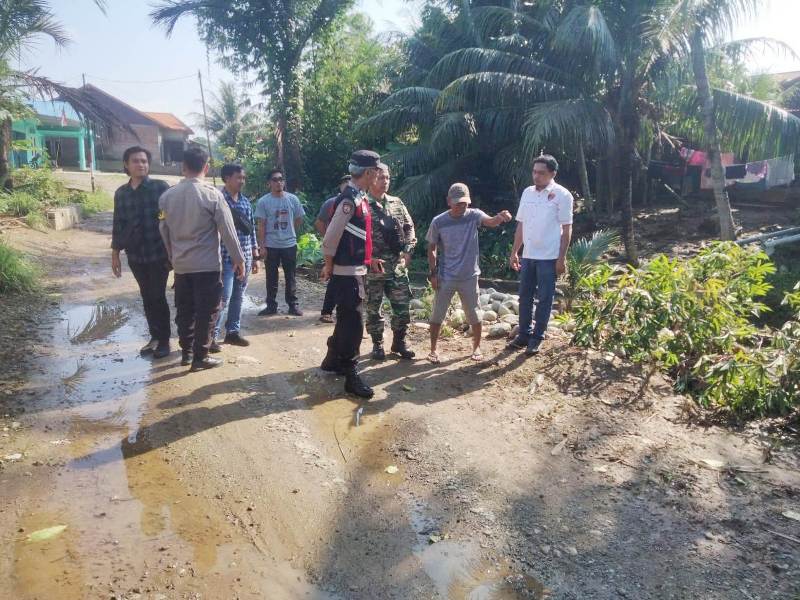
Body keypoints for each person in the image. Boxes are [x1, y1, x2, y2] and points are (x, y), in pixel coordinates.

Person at [158, 146, 245, 371]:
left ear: (183, 167)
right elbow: (227, 230)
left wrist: (171, 254)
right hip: (207, 266)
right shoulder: (213, 195)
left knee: (185, 310)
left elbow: (163, 228)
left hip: (181, 266)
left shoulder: (166, 197)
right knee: (207, 311)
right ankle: (200, 357)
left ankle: (186, 352)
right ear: (206, 167)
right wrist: (239, 259)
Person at [319, 150, 382, 399]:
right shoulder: (350, 200)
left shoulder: (359, 197)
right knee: (354, 324)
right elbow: (330, 238)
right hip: (347, 273)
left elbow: (355, 236)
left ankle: (332, 358)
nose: (378, 175)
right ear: (368, 172)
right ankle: (351, 373)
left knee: (347, 319)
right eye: (376, 171)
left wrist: (370, 259)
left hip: (354, 269)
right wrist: (329, 265)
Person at [426, 183, 512, 363]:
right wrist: (433, 274)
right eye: (458, 202)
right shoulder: (438, 221)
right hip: (446, 276)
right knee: (437, 314)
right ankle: (433, 349)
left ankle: (477, 347)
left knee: (475, 314)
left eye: (465, 202)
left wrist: (500, 217)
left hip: (470, 276)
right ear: (449, 201)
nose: (462, 206)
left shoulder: (474, 215)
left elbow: (490, 221)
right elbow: (432, 247)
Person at [508, 154, 573, 356]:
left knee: (545, 298)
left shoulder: (562, 195)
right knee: (524, 297)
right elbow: (521, 224)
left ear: (552, 174)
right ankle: (524, 335)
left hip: (549, 256)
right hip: (529, 254)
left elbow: (567, 228)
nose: (536, 176)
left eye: (541, 173)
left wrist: (561, 258)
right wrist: (514, 252)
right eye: (534, 172)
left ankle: (537, 337)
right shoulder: (528, 193)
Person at [111, 146, 172, 359]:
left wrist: (174, 252)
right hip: (136, 255)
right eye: (136, 161)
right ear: (126, 165)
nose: (141, 165)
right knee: (146, 296)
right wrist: (115, 254)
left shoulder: (159, 188)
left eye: (144, 161)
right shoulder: (121, 193)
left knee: (157, 295)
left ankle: (164, 341)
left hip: (159, 253)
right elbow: (118, 224)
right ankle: (154, 337)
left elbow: (170, 219)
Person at [365, 163, 417, 360]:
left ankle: (399, 341)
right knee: (373, 308)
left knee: (402, 306)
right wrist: (367, 258)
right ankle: (377, 344)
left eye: (387, 177)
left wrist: (408, 251)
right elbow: (354, 237)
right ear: (370, 179)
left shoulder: (396, 202)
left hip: (396, 265)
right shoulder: (362, 204)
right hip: (374, 267)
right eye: (380, 177)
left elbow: (409, 227)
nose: (384, 181)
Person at [211, 163, 259, 350]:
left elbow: (251, 230)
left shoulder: (245, 202)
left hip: (245, 257)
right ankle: (212, 336)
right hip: (225, 259)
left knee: (239, 296)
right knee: (223, 298)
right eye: (238, 177)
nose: (242, 181)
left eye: (243, 178)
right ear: (227, 178)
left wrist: (255, 256)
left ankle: (232, 332)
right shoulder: (217, 200)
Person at [255, 168, 305, 316]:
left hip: (289, 244)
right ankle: (271, 305)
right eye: (275, 180)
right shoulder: (264, 201)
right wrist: (262, 246)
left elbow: (298, 219)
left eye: (281, 179)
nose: (279, 182)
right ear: (269, 183)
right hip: (271, 245)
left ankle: (293, 304)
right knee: (271, 276)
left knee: (291, 275)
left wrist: (291, 233)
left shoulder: (293, 199)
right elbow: (261, 225)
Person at [315, 175, 351, 323]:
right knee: (334, 279)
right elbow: (319, 222)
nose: (348, 186)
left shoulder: (359, 200)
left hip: (352, 248)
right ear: (340, 186)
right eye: (345, 184)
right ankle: (327, 311)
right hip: (336, 248)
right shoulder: (331, 203)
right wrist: (328, 239)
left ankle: (345, 312)